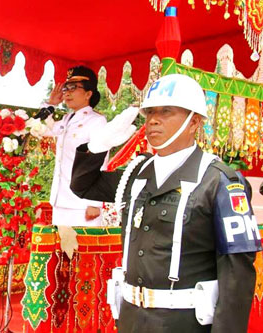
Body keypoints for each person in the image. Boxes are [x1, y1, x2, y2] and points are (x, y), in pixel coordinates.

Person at [70, 74, 261, 332]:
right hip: (131, 320)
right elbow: (83, 186)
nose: (153, 120)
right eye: (149, 113)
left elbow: (237, 272)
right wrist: (97, 146)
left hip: (184, 323)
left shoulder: (219, 180)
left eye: (166, 111)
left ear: (194, 122)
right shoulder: (136, 174)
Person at [38, 65, 108, 232]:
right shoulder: (67, 119)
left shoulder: (97, 121)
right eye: (66, 88)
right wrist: (50, 105)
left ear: (88, 94)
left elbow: (101, 162)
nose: (67, 93)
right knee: (62, 253)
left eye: (73, 88)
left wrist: (95, 203)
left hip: (82, 204)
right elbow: (43, 129)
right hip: (61, 198)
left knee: (82, 253)